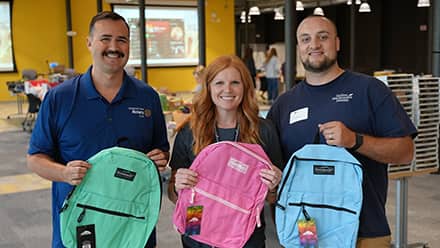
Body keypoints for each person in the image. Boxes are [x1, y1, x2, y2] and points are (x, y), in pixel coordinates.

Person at [266, 15, 417, 248]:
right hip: (304, 234)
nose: (314, 45)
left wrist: (355, 140)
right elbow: (271, 167)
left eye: (322, 37)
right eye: (306, 39)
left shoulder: (370, 90)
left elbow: (405, 152)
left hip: (364, 232)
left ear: (337, 43)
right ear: (298, 48)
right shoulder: (284, 104)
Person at [26, 11, 170, 248]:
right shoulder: (59, 98)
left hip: (133, 227)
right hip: (79, 226)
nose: (114, 47)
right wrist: (63, 173)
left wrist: (160, 158)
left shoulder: (147, 97)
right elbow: (35, 158)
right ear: (89, 42)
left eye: (121, 40)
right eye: (105, 38)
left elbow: (160, 152)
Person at [167, 55, 284, 248]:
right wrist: (178, 187)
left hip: (244, 236)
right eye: (219, 82)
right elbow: (173, 194)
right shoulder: (189, 131)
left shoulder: (264, 130)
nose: (227, 89)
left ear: (245, 87)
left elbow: (272, 197)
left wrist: (274, 186)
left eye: (235, 83)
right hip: (197, 232)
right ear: (209, 88)